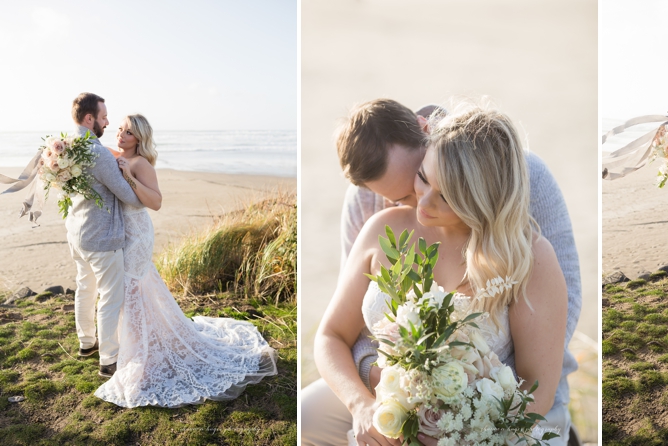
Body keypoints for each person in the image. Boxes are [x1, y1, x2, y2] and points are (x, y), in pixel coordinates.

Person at [307, 104, 571, 446]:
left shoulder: (528, 257)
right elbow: (331, 335)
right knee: (306, 415)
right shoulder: (381, 227)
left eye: (445, 196)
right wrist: (362, 404)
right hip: (387, 399)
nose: (423, 203)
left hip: (486, 424)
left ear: (480, 196)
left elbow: (538, 389)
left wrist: (466, 433)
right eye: (422, 178)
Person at [94, 114, 277, 407]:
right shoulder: (117, 155)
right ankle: (137, 347)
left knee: (132, 288)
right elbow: (95, 151)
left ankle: (141, 355)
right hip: (122, 232)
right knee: (133, 289)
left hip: (137, 234)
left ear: (139, 138)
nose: (121, 135)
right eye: (120, 129)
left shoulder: (140, 164)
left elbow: (156, 202)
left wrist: (129, 175)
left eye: (128, 132)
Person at [64, 93, 144, 377]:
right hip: (101, 238)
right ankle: (109, 359)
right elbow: (130, 198)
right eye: (104, 117)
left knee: (85, 288)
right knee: (110, 297)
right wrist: (129, 174)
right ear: (90, 119)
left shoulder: (66, 146)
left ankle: (86, 343)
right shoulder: (97, 154)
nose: (108, 122)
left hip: (76, 233)